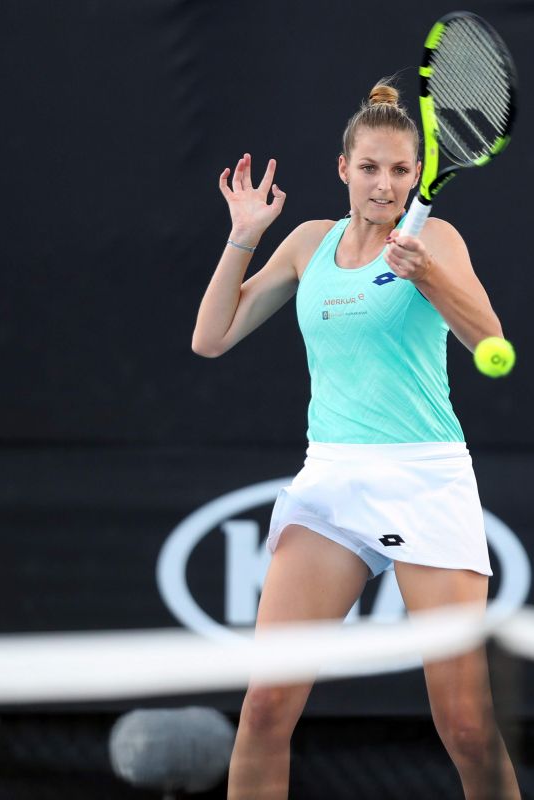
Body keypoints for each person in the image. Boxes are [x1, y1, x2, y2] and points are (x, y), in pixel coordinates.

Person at [192, 81, 521, 800]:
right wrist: (243, 233)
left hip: (422, 481)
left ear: (417, 174)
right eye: (370, 168)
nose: (385, 184)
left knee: (464, 724)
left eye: (401, 171)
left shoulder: (435, 239)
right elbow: (211, 337)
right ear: (343, 168)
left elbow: (488, 340)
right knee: (265, 706)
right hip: (331, 483)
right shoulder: (309, 242)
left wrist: (429, 276)